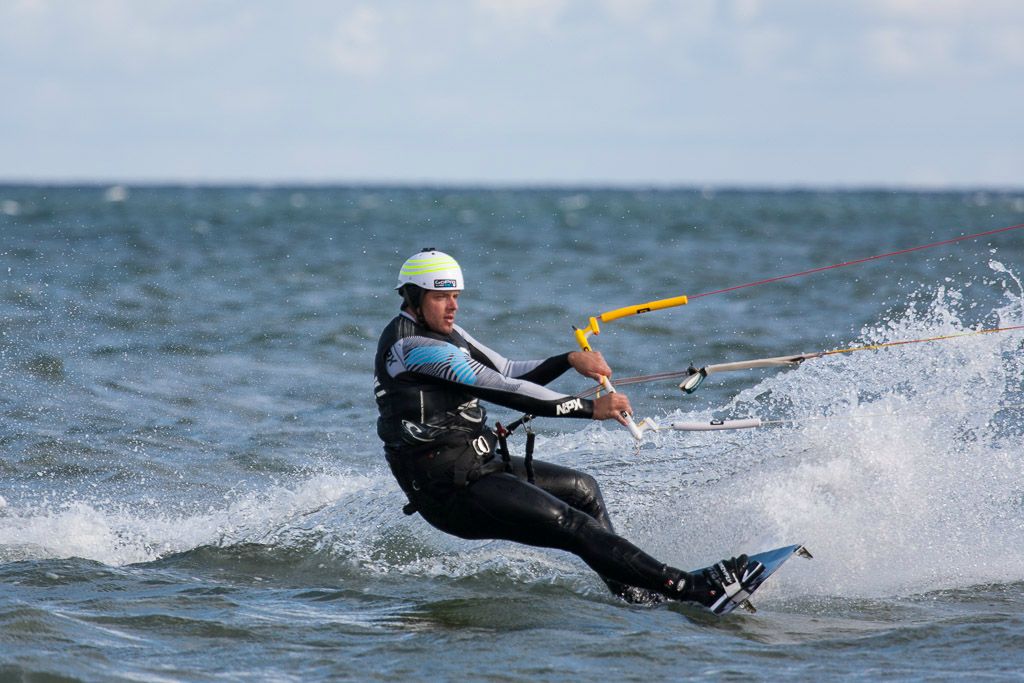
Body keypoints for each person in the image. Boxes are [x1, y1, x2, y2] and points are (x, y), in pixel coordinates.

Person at [374, 248, 747, 608]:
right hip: (449, 491)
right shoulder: (416, 347)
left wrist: (569, 360)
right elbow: (507, 390)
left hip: (476, 466)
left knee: (584, 491)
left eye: (455, 295)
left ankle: (636, 595)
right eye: (442, 297)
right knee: (572, 526)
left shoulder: (449, 333)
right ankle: (692, 588)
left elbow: (506, 370)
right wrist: (592, 408)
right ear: (414, 297)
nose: (453, 305)